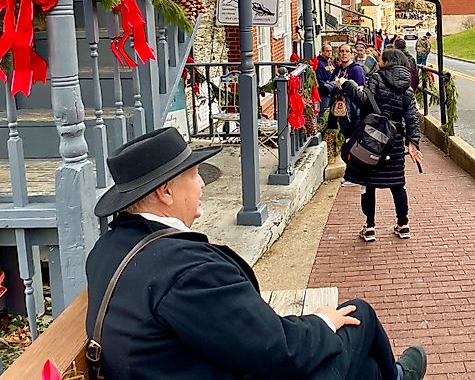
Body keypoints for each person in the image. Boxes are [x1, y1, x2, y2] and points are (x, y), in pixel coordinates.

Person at [85, 127, 427, 380]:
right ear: (166, 192)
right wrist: (323, 321)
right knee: (360, 315)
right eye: (194, 176)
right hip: (251, 366)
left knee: (365, 370)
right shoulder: (187, 273)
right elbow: (277, 350)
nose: (203, 184)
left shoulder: (108, 250)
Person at [337, 49, 423, 242]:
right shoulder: (407, 87)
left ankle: (369, 227)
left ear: (386, 61)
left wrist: (347, 85)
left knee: (368, 183)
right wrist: (413, 142)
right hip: (394, 141)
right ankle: (403, 224)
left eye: (380, 59)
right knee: (398, 184)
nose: (378, 61)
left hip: (372, 138)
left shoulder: (376, 78)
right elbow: (412, 118)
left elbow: (363, 101)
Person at [328, 43, 366, 136]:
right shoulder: (337, 70)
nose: (344, 54)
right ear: (338, 54)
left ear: (352, 54)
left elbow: (359, 90)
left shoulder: (357, 69)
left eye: (347, 51)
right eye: (341, 51)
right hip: (337, 108)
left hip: (351, 110)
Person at [316, 43, 336, 117]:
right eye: (327, 51)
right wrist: (326, 86)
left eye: (331, 51)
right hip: (324, 93)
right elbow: (318, 78)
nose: (329, 52)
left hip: (332, 91)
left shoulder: (330, 62)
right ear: (322, 52)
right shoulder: (319, 63)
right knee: (323, 112)